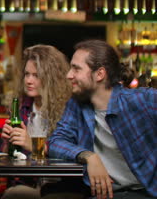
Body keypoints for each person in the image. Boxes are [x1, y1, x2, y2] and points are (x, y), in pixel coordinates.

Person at [49, 40, 156, 199]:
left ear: (99, 74)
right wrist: (88, 156)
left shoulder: (141, 100)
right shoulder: (77, 104)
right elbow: (56, 142)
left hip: (144, 193)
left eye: (76, 69)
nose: (68, 75)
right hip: (104, 195)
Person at [1, 45, 84, 199]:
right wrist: (7, 143)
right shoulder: (20, 108)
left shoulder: (69, 108)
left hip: (61, 186)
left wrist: (33, 145)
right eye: (27, 74)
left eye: (36, 75)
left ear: (52, 78)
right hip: (28, 183)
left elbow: (76, 153)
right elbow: (9, 161)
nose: (29, 81)